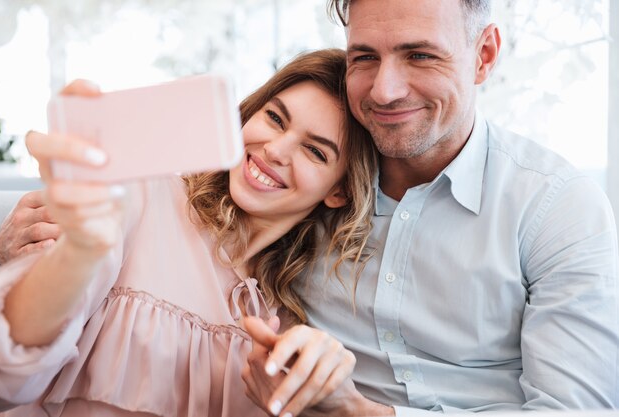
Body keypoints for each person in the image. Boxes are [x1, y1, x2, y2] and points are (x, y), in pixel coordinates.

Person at [240, 0, 619, 415]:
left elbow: (575, 410)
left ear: (484, 55)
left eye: (420, 55)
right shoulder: (314, 179)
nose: (384, 91)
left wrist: (355, 411)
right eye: (365, 57)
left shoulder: (556, 206)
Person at [0, 48, 379, 416]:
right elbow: (3, 380)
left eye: (315, 151)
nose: (276, 149)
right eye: (275, 118)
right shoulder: (140, 195)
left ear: (339, 190)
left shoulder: (294, 319)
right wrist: (77, 253)